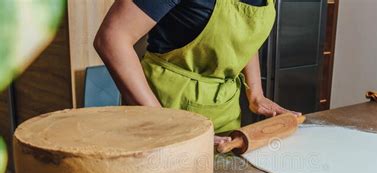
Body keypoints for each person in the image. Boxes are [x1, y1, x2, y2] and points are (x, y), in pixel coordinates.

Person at [95, 0, 300, 145]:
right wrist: (167, 125)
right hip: (162, 112)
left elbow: (242, 37)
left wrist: (255, 93)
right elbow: (112, 38)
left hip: (224, 116)